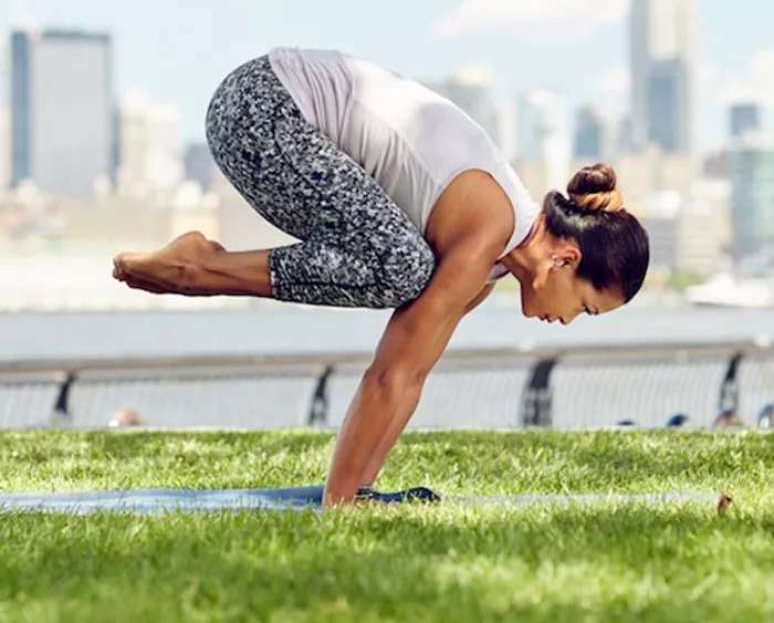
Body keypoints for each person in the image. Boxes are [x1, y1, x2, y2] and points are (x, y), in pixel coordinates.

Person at [112, 47, 649, 508]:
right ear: (567, 260)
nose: (569, 320)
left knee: (407, 271)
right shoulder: (491, 226)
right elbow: (389, 376)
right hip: (260, 107)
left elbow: (408, 375)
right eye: (586, 307)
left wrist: (360, 492)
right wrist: (339, 505)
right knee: (403, 268)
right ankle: (196, 266)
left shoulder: (486, 267)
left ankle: (199, 265)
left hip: (266, 119)